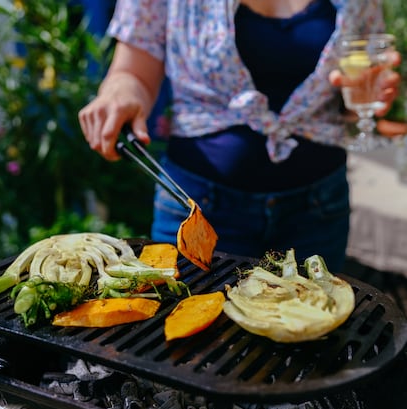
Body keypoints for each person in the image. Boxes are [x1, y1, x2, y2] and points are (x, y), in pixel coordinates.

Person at [79, 0, 400, 273]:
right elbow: (132, 72)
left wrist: (363, 98)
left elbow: (353, 92)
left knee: (313, 338)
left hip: (317, 211)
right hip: (198, 211)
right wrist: (119, 93)